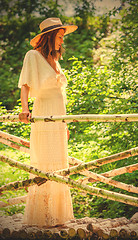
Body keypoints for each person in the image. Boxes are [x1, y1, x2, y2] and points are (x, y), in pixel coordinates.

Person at [18, 17, 78, 227]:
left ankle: (57, 216)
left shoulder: (56, 62)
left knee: (60, 164)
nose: (62, 41)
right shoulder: (33, 56)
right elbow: (25, 84)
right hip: (44, 115)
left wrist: (65, 124)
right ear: (50, 37)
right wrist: (25, 109)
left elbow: (60, 97)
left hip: (59, 119)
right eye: (60, 37)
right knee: (44, 162)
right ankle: (42, 216)